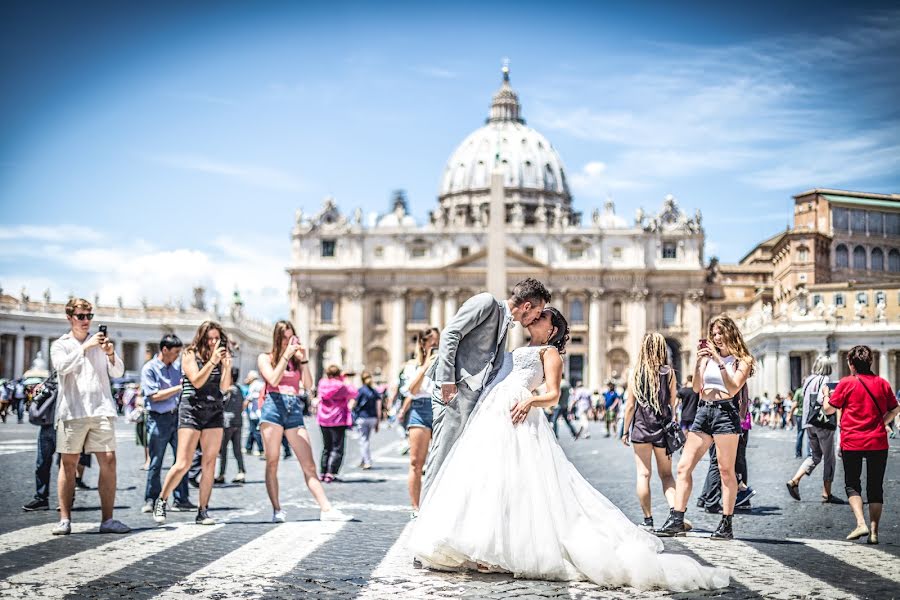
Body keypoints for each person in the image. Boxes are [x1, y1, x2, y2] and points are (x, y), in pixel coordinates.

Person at [409, 307, 728, 591]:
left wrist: (530, 399)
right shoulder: (517, 346)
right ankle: (486, 547)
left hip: (520, 417)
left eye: (542, 316)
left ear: (552, 329)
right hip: (495, 417)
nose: (535, 317)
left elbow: (552, 395)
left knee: (521, 487)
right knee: (494, 483)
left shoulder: (549, 352)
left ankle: (502, 551)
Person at [422, 278, 550, 500]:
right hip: (455, 389)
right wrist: (447, 380)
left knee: (457, 457)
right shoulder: (486, 303)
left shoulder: (505, 324)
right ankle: (424, 516)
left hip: (473, 396)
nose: (536, 318)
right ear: (527, 306)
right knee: (443, 452)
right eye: (537, 312)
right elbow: (450, 334)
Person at [655, 314, 754, 541]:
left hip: (726, 413)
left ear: (730, 332)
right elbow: (699, 387)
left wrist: (720, 363)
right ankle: (677, 517)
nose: (717, 337)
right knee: (683, 467)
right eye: (714, 334)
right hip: (704, 411)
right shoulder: (709, 359)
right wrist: (700, 363)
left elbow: (732, 389)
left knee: (725, 471)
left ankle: (726, 524)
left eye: (720, 332)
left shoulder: (743, 360)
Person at [49, 298, 130, 535]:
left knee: (109, 459)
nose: (86, 321)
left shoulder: (101, 343)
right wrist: (85, 347)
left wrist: (111, 354)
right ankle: (65, 519)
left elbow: (118, 372)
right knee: (69, 463)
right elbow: (62, 367)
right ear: (69, 317)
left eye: (89, 316)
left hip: (101, 408)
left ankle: (108, 519)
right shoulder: (60, 344)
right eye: (81, 316)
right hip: (72, 410)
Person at [257, 320, 352, 522]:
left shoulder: (296, 362)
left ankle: (326, 509)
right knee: (272, 462)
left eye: (290, 337)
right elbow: (273, 380)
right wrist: (285, 355)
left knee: (308, 465)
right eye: (283, 338)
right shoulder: (265, 358)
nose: (287, 342)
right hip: (273, 407)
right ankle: (276, 509)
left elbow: (308, 386)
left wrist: (305, 360)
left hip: (293, 409)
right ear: (277, 338)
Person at [153, 321, 231, 526]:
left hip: (214, 410)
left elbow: (224, 387)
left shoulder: (220, 357)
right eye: (210, 338)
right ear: (202, 337)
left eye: (217, 338)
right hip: (191, 409)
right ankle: (161, 499)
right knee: (183, 463)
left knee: (210, 463)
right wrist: (213, 362)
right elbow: (196, 380)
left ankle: (203, 510)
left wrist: (226, 366)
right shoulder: (189, 353)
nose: (214, 342)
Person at [822, 345, 900, 544]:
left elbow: (829, 410)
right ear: (870, 362)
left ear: (851, 364)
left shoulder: (847, 383)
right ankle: (874, 532)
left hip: (852, 442)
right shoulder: (882, 383)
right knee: (875, 487)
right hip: (877, 441)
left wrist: (825, 396)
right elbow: (895, 408)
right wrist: (882, 422)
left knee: (852, 484)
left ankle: (860, 523)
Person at [621, 333, 679, 530]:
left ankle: (648, 520)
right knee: (667, 475)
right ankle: (675, 514)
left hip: (640, 429)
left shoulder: (635, 373)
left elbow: (630, 406)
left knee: (643, 474)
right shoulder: (669, 373)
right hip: (662, 429)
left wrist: (625, 430)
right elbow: (673, 402)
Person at [140, 334, 194, 514]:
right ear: (165, 350)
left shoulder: (178, 367)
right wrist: (178, 388)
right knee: (156, 461)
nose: (178, 356)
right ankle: (152, 499)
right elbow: (153, 396)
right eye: (176, 352)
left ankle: (181, 499)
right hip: (158, 418)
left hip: (178, 417)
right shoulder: (150, 369)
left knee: (183, 460)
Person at [786, 356, 840, 504]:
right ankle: (826, 493)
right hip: (823, 423)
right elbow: (823, 401)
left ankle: (795, 480)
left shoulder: (808, 380)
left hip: (809, 423)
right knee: (829, 457)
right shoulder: (826, 380)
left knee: (815, 456)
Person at [397, 327, 439, 516]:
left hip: (441, 409)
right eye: (432, 342)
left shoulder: (447, 362)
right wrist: (424, 368)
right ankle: (416, 507)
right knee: (416, 462)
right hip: (420, 409)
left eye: (438, 342)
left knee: (442, 461)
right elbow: (411, 391)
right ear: (422, 344)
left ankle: (438, 504)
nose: (436, 346)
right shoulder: (412, 366)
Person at [23, 372, 58, 511]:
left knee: (66, 465)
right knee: (42, 463)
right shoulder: (49, 382)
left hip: (64, 425)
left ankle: (66, 499)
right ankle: (41, 498)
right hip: (47, 425)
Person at [316, 365, 357, 482]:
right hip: (338, 419)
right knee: (337, 447)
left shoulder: (322, 383)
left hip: (323, 419)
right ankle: (331, 472)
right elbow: (353, 392)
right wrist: (344, 379)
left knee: (326, 447)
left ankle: (323, 472)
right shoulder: (341, 385)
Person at [216, 367, 246, 484]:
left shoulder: (228, 390)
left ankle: (221, 474)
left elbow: (220, 403)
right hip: (238, 421)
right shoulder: (239, 389)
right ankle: (241, 471)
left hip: (227, 423)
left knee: (223, 450)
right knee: (237, 449)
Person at [353, 371, 384, 470]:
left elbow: (353, 404)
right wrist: (378, 422)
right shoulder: (375, 392)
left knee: (363, 440)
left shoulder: (360, 391)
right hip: (373, 418)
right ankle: (363, 460)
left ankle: (367, 461)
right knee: (366, 439)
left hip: (362, 418)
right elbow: (379, 408)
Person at [244, 371, 264, 455]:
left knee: (255, 431)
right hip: (259, 411)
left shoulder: (253, 385)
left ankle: (261, 449)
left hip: (254, 412)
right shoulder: (261, 384)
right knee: (252, 431)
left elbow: (249, 398)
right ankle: (248, 447)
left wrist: (242, 407)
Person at [789, 385, 807, 458]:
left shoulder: (799, 391)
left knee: (800, 433)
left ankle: (798, 453)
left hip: (800, 414)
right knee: (810, 435)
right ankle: (810, 454)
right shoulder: (810, 389)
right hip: (809, 415)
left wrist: (790, 414)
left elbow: (795, 404)